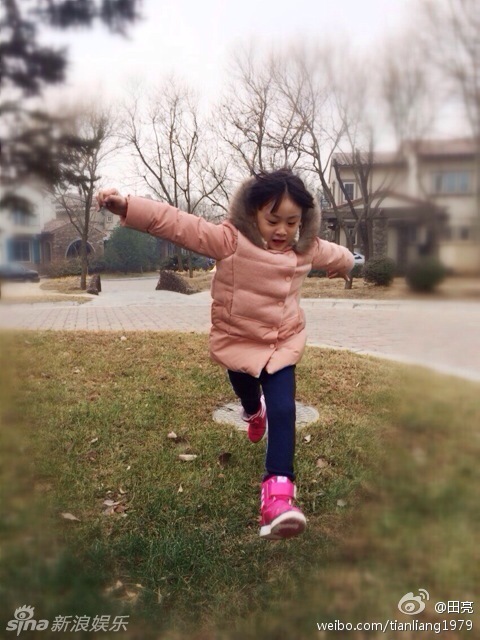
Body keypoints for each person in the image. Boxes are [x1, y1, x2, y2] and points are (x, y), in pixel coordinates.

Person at [96, 169, 354, 540]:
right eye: (273, 220)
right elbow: (178, 224)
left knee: (285, 410)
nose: (282, 230)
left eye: (292, 222)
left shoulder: (305, 249)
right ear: (253, 213)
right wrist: (127, 207)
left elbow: (336, 253)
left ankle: (278, 498)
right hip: (239, 342)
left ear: (303, 220)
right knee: (246, 389)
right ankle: (253, 410)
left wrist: (345, 265)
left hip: (281, 344)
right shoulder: (230, 240)